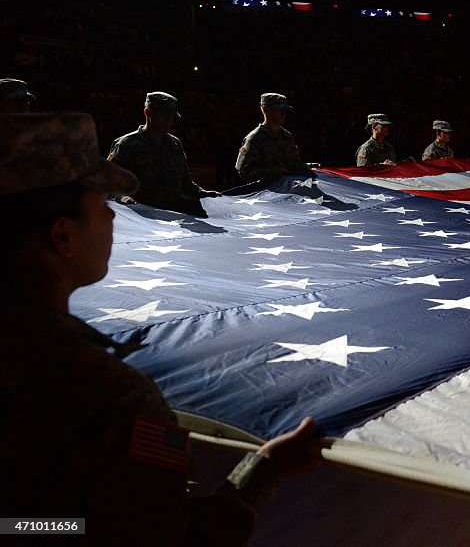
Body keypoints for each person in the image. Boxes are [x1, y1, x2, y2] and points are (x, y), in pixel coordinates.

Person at [0, 112, 323, 546]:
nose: (114, 219)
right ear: (62, 236)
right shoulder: (108, 393)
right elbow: (170, 535)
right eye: (102, 206)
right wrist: (266, 468)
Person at [107, 92, 219, 217]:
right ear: (147, 113)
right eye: (163, 116)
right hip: (144, 217)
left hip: (174, 215)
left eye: (171, 116)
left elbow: (185, 183)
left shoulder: (175, 144)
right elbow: (110, 184)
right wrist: (126, 199)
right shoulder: (126, 145)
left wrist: (203, 193)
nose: (169, 121)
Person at [236, 93, 314, 182]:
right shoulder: (254, 139)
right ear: (266, 109)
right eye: (280, 109)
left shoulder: (287, 136)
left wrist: (308, 167)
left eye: (285, 110)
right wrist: (274, 172)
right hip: (265, 191)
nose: (284, 113)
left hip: (287, 189)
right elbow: (245, 172)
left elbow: (294, 165)